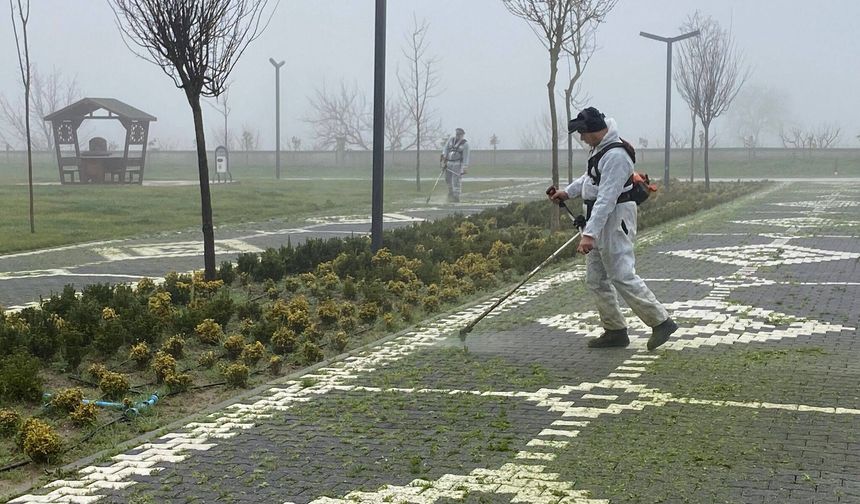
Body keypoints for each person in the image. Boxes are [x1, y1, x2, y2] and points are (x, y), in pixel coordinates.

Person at [549, 107, 677, 350]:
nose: (581, 138)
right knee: (596, 279)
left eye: (582, 133)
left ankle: (661, 322)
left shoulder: (617, 156)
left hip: (615, 218)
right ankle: (615, 330)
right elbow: (590, 178)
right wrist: (568, 192)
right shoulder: (600, 148)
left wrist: (589, 234)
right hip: (599, 218)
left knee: (621, 274)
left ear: (594, 131)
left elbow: (607, 197)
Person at [440, 128, 470, 203]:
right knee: (447, 178)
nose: (458, 135)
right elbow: (446, 149)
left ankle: (456, 196)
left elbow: (466, 156)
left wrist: (465, 167)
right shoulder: (451, 140)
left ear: (462, 135)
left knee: (456, 180)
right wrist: (444, 155)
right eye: (457, 134)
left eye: (460, 134)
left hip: (457, 164)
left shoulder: (465, 144)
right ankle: (451, 192)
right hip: (449, 163)